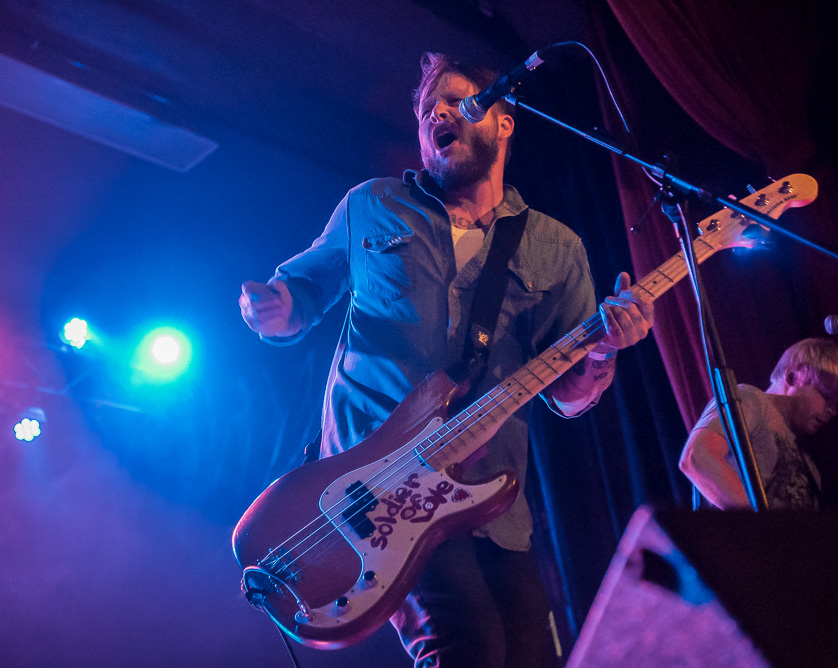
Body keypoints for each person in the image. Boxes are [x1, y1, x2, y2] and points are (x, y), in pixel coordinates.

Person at [239, 53, 654, 668]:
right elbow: (300, 294)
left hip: (491, 498)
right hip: (375, 488)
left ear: (503, 122)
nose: (438, 114)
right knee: (468, 646)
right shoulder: (371, 207)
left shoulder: (556, 246)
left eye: (457, 101)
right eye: (427, 110)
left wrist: (602, 355)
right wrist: (274, 307)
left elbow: (568, 393)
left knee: (530, 655)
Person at [679, 338, 838, 510]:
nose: (833, 410)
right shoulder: (751, 400)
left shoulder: (809, 464)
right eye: (827, 396)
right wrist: (763, 526)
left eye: (837, 402)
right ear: (791, 377)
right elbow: (697, 456)